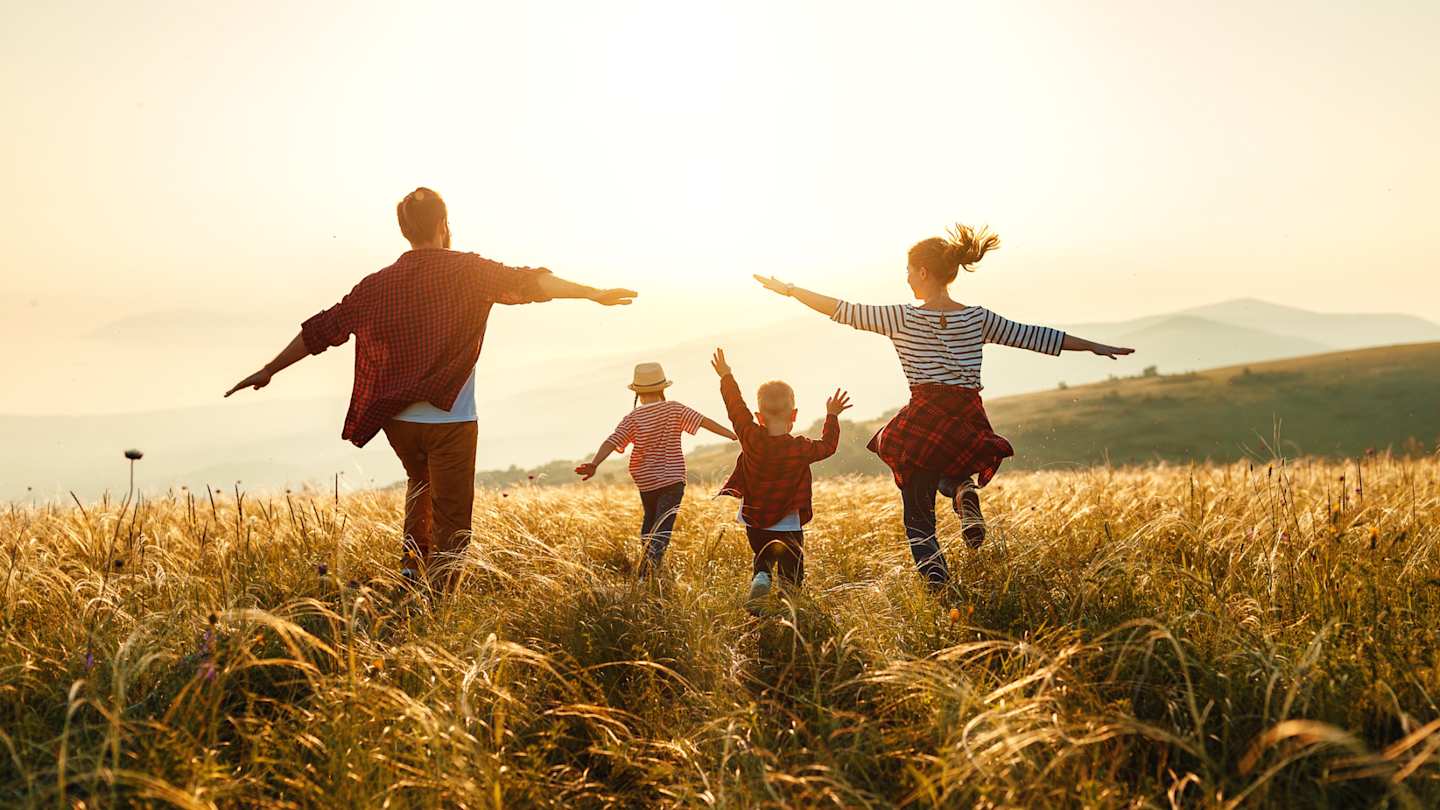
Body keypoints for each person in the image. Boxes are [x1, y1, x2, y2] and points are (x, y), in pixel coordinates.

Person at [225, 187, 637, 590]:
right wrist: (591, 293)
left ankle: (411, 570)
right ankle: (439, 599)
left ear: (405, 230)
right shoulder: (470, 271)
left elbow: (323, 329)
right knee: (453, 517)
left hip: (398, 421)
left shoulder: (377, 284)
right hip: (451, 420)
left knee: (419, 485)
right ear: (443, 224)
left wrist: (269, 369)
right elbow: (531, 283)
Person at [753, 224, 1133, 591]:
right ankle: (963, 491)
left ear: (922, 271)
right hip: (967, 415)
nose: (905, 279)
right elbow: (1036, 336)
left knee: (918, 520)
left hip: (925, 415)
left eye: (907, 271)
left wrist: (789, 290)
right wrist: (1095, 347)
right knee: (949, 468)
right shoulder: (977, 318)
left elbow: (840, 309)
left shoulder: (902, 317)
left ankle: (941, 590)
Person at [710, 348, 849, 612]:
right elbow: (828, 446)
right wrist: (831, 416)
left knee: (763, 559)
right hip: (788, 522)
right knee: (791, 572)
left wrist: (726, 376)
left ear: (759, 417)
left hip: (754, 519)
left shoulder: (750, 436)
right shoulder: (800, 448)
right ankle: (788, 609)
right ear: (794, 415)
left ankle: (761, 576)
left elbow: (735, 408)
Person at [574, 362, 737, 577]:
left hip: (646, 481)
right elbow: (704, 421)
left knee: (650, 522)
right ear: (662, 388)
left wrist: (594, 464)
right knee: (662, 526)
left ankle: (645, 570)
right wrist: (733, 434)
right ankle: (649, 572)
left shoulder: (632, 418)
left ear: (638, 393)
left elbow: (612, 441)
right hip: (672, 479)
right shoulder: (674, 409)